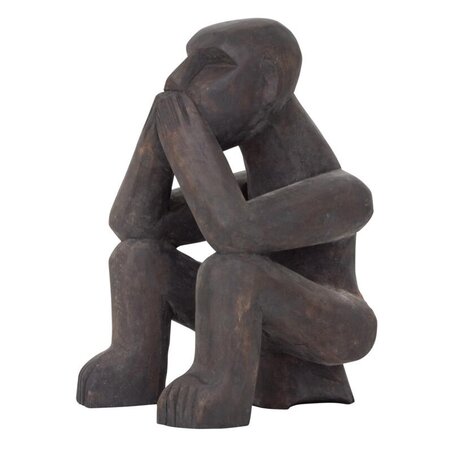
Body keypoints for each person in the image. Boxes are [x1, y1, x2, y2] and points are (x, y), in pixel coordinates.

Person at [77, 18, 377, 429]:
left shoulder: (344, 192)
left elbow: (234, 234)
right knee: (137, 257)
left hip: (338, 325)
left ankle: (219, 383)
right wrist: (156, 134)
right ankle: (135, 364)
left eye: (211, 64)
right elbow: (134, 225)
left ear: (268, 84)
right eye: (187, 62)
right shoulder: (243, 192)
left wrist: (187, 143)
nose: (177, 79)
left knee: (231, 271)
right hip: (245, 299)